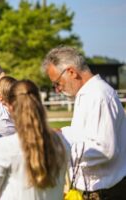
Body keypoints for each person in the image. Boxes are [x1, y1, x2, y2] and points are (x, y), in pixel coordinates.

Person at [42, 46, 126, 199]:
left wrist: (59, 151)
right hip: (95, 189)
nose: (57, 90)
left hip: (105, 192)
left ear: (71, 72)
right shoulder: (87, 94)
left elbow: (105, 149)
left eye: (57, 83)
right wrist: (62, 133)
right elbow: (86, 134)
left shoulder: (98, 95)